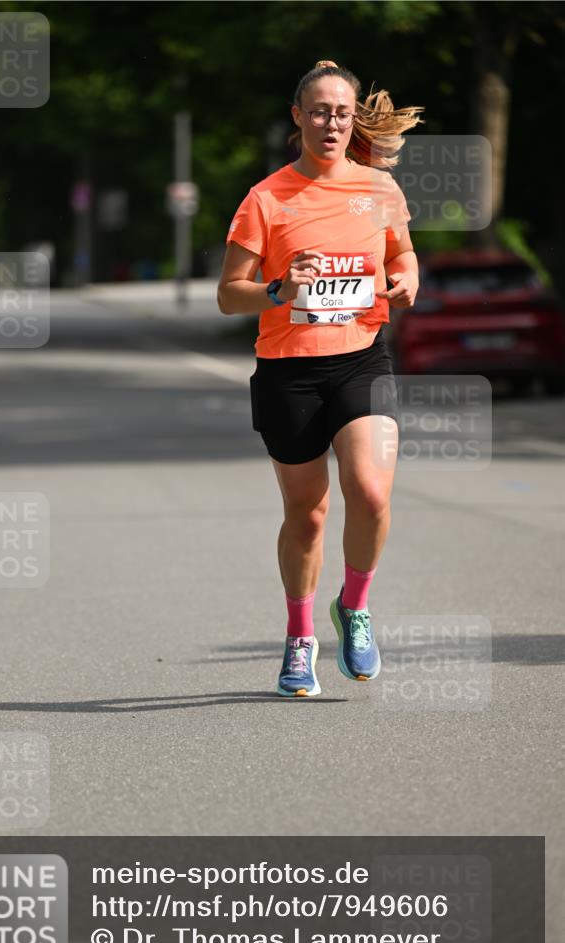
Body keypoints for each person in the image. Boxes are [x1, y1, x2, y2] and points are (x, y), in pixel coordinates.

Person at [217, 60, 423, 697]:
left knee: (372, 492)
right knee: (307, 516)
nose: (331, 122)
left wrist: (410, 276)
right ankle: (300, 637)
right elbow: (229, 295)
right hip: (289, 372)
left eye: (341, 112)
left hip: (362, 356)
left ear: (351, 118)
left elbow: (402, 253)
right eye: (319, 111)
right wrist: (279, 289)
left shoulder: (379, 189)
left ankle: (354, 609)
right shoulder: (266, 198)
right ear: (298, 118)